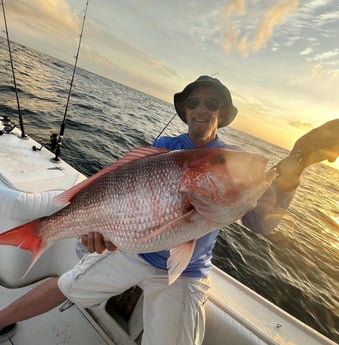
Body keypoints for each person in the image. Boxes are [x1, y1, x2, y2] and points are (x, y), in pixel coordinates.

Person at [0, 76, 338, 345]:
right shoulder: (163, 149)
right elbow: (123, 200)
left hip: (187, 271)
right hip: (133, 253)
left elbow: (261, 224)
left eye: (212, 103)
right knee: (70, 284)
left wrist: (292, 177)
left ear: (222, 113)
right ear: (186, 110)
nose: (202, 109)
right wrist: (103, 235)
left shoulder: (233, 159)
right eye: (194, 102)